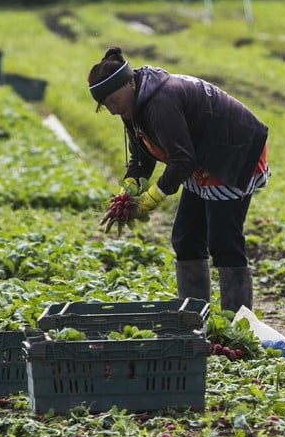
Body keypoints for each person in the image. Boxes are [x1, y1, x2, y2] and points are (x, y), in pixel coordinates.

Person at [87, 46, 269, 313]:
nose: (113, 111)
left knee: (223, 241)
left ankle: (239, 322)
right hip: (201, 158)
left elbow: (182, 159)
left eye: (114, 101)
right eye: (106, 106)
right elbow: (142, 153)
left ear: (130, 82)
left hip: (232, 152)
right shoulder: (134, 105)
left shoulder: (161, 103)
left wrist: (153, 196)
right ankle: (195, 316)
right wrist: (130, 187)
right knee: (186, 238)